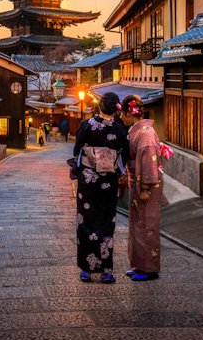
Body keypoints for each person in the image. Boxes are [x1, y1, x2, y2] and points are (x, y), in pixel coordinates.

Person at [68, 92, 129, 283]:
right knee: (106, 223)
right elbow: (123, 157)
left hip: (88, 182)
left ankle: (86, 269)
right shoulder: (120, 130)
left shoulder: (87, 125)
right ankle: (106, 270)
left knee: (85, 222)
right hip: (108, 182)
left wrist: (85, 165)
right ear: (116, 109)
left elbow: (77, 150)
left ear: (100, 107)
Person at [120, 94, 168, 281]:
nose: (121, 118)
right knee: (137, 223)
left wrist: (146, 188)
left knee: (147, 225)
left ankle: (149, 268)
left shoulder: (145, 133)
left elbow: (148, 162)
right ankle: (138, 264)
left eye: (122, 114)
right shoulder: (137, 130)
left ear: (128, 113)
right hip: (137, 181)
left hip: (146, 183)